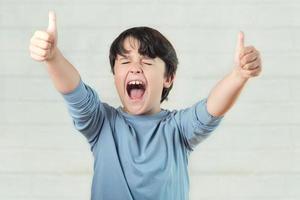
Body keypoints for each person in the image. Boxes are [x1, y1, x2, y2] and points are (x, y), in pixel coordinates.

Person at [29, 11, 262, 200]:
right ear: (115, 75)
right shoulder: (101, 123)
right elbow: (75, 92)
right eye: (125, 61)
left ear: (168, 78)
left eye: (147, 61)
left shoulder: (178, 128)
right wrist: (53, 57)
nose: (136, 67)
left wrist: (239, 76)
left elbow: (212, 108)